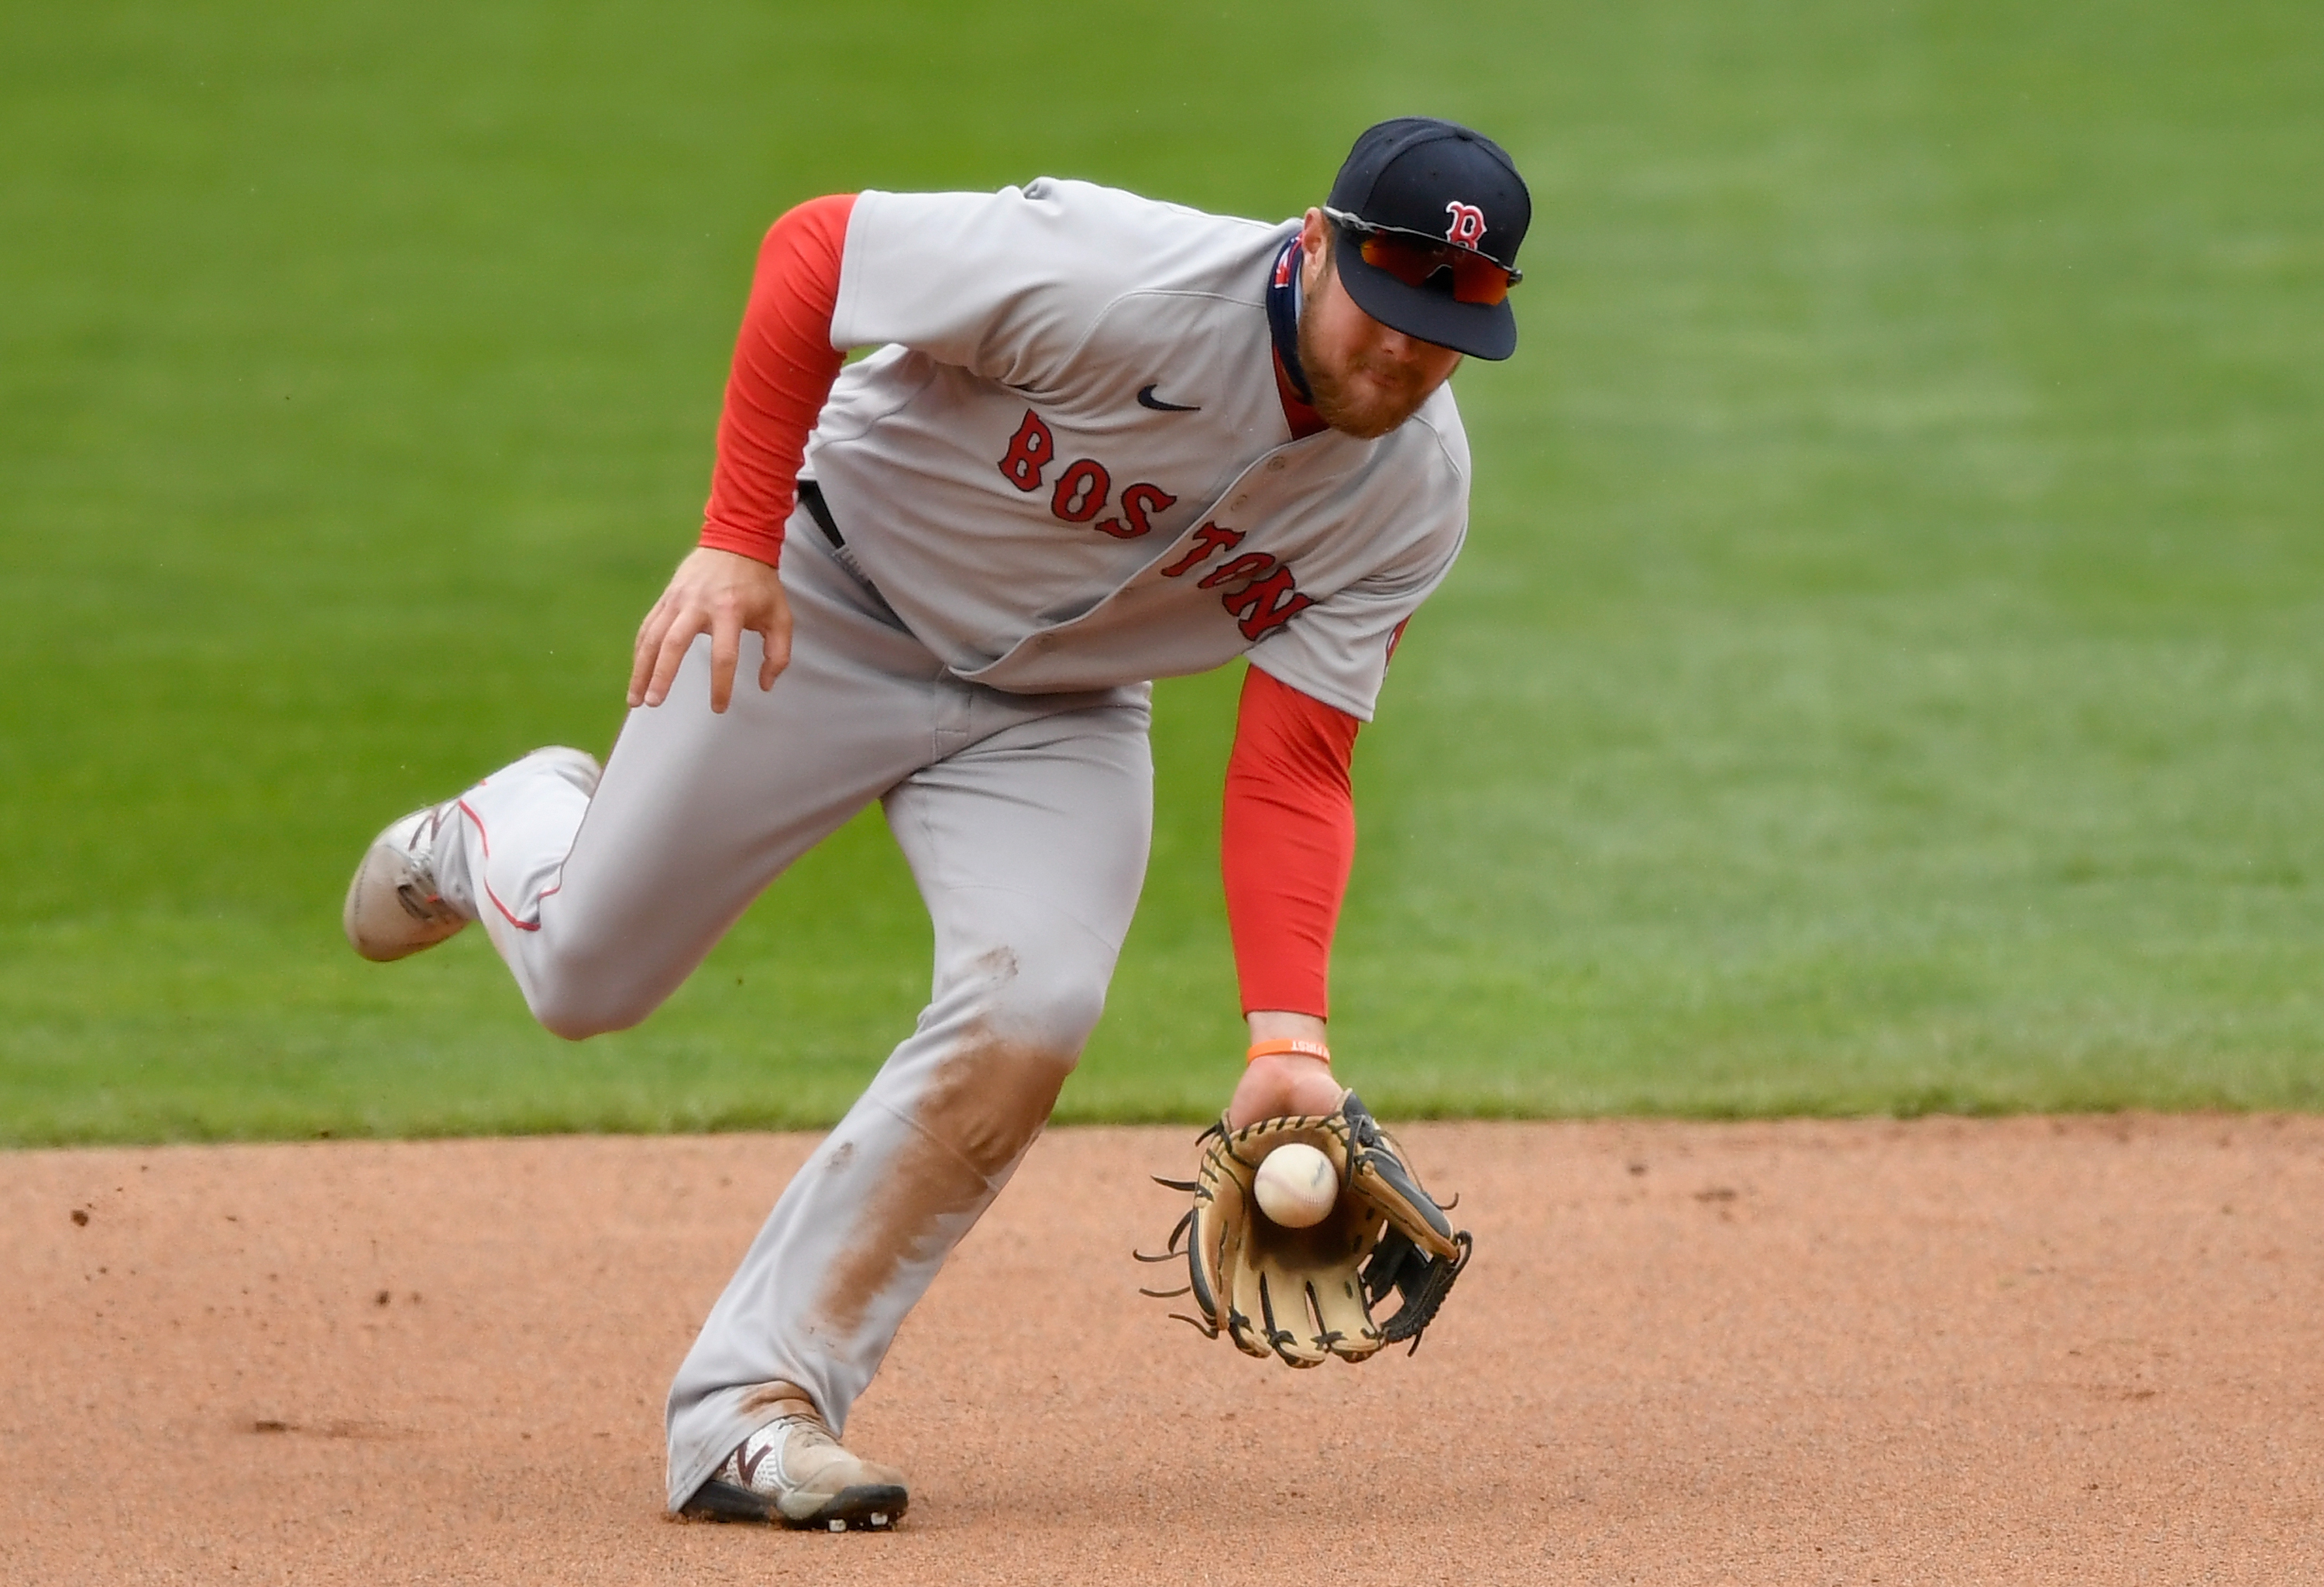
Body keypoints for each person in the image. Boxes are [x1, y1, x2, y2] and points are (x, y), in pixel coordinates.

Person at [342, 115, 1530, 1531]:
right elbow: (816, 252)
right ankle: (510, 826)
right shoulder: (1111, 274)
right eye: (1386, 305)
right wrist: (733, 541)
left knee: (1038, 1002)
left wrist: (1290, 1039)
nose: (1403, 355)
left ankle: (755, 1406)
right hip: (826, 601)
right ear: (1316, 245)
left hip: (1063, 709)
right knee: (590, 978)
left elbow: (1296, 765)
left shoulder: (1412, 493)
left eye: (1446, 329)